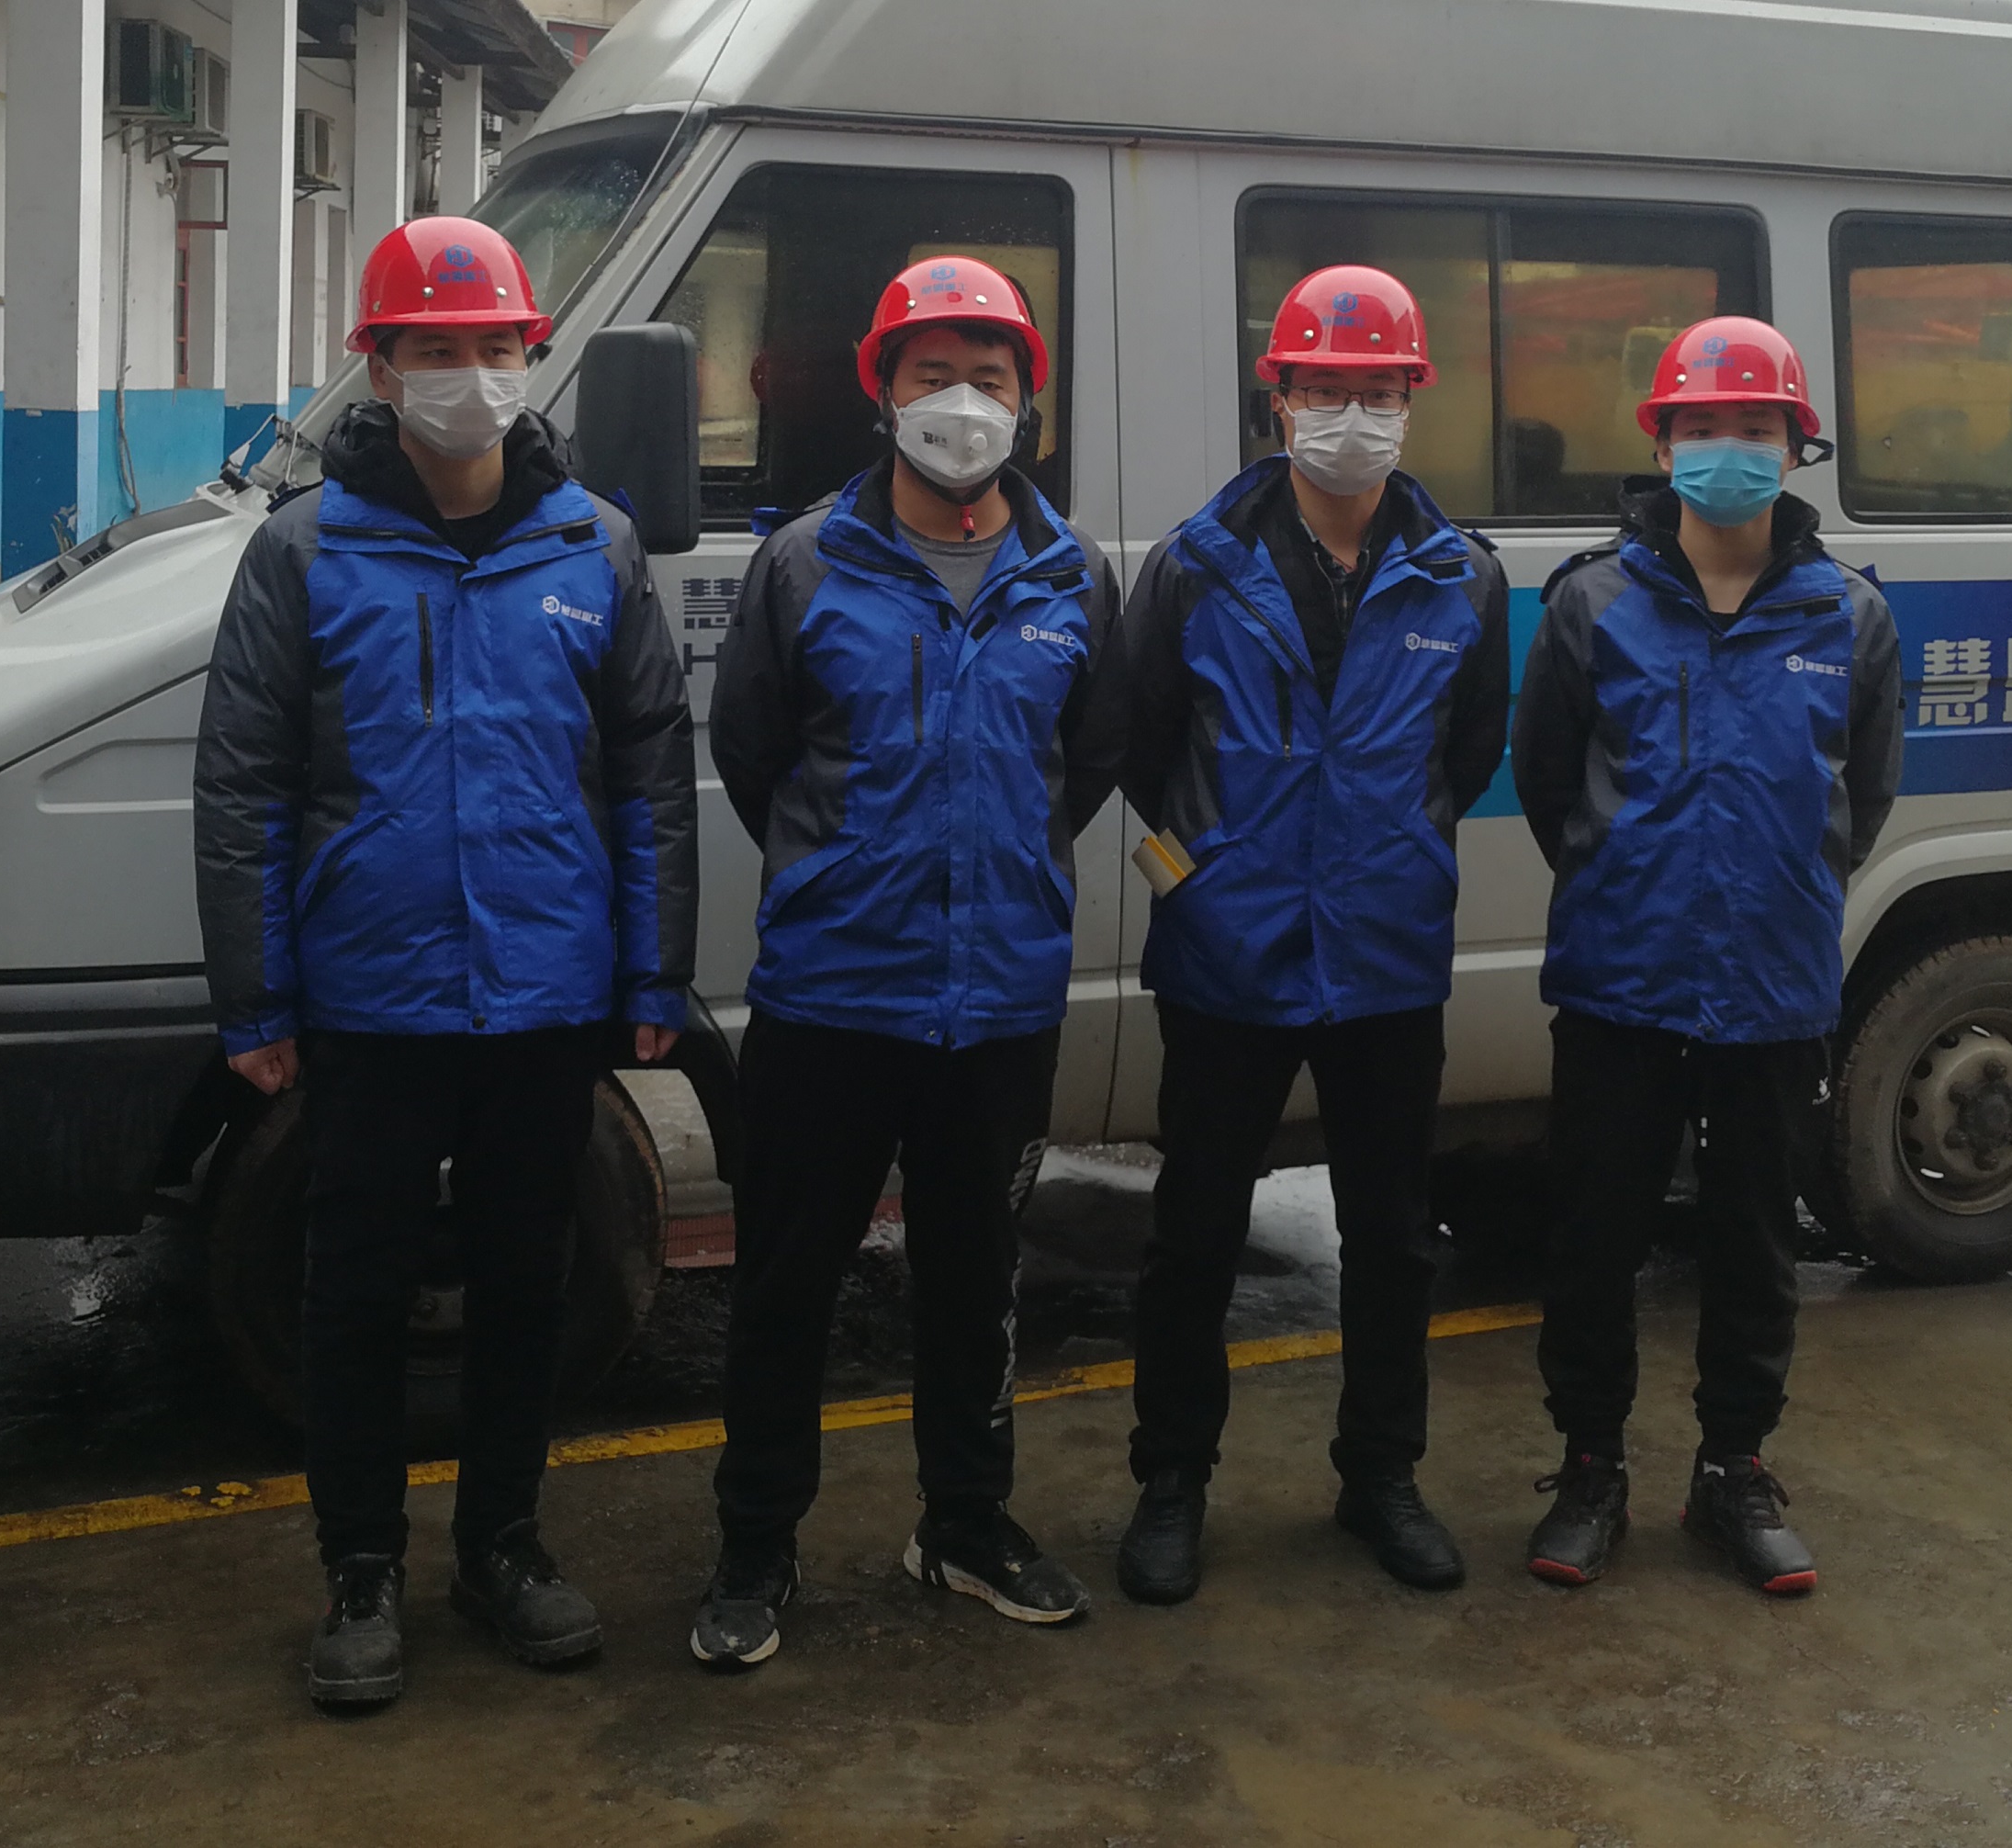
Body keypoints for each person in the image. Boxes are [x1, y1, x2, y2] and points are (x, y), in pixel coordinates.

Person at [195, 217, 697, 1710]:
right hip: (372, 996)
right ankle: (360, 1569)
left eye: (493, 348)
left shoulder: (593, 547)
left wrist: (653, 975)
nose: (469, 376)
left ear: (531, 357)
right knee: (351, 1294)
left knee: (525, 1285)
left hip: (546, 994)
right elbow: (243, 783)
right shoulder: (305, 552)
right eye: (435, 350)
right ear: (380, 366)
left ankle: (502, 1545)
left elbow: (649, 774)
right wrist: (255, 995)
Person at [692, 255, 1126, 1669]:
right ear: (881, 391)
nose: (961, 402)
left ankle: (966, 1525)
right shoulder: (805, 565)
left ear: (1027, 403)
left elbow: (1083, 764)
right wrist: (858, 872)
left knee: (975, 1280)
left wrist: (984, 872)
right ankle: (756, 1548)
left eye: (988, 378)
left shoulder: (1072, 579)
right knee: (789, 1283)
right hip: (831, 997)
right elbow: (755, 755)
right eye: (932, 374)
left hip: (998, 1002)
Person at [1110, 265, 1512, 1606]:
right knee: (1195, 1235)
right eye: (1324, 387)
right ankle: (1172, 1482)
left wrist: (1381, 851)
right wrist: (1212, 867)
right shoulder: (1195, 568)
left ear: (1411, 402)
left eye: (1376, 390)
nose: (1351, 413)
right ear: (1276, 399)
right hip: (1227, 956)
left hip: (1387, 955)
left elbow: (1468, 754)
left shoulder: (1462, 579)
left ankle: (1381, 1477)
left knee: (1392, 1238)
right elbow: (1141, 747)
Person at [1510, 316, 1902, 1598]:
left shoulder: (1847, 614)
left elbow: (1864, 798)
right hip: (1619, 980)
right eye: (1701, 426)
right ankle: (1590, 1468)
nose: (1726, 447)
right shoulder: (1594, 603)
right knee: (1594, 1237)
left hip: (1774, 986)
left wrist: (1776, 892)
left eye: (1753, 427)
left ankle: (1734, 1468)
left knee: (1755, 1242)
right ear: (1663, 441)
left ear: (1795, 447)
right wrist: (1631, 884)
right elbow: (1547, 781)